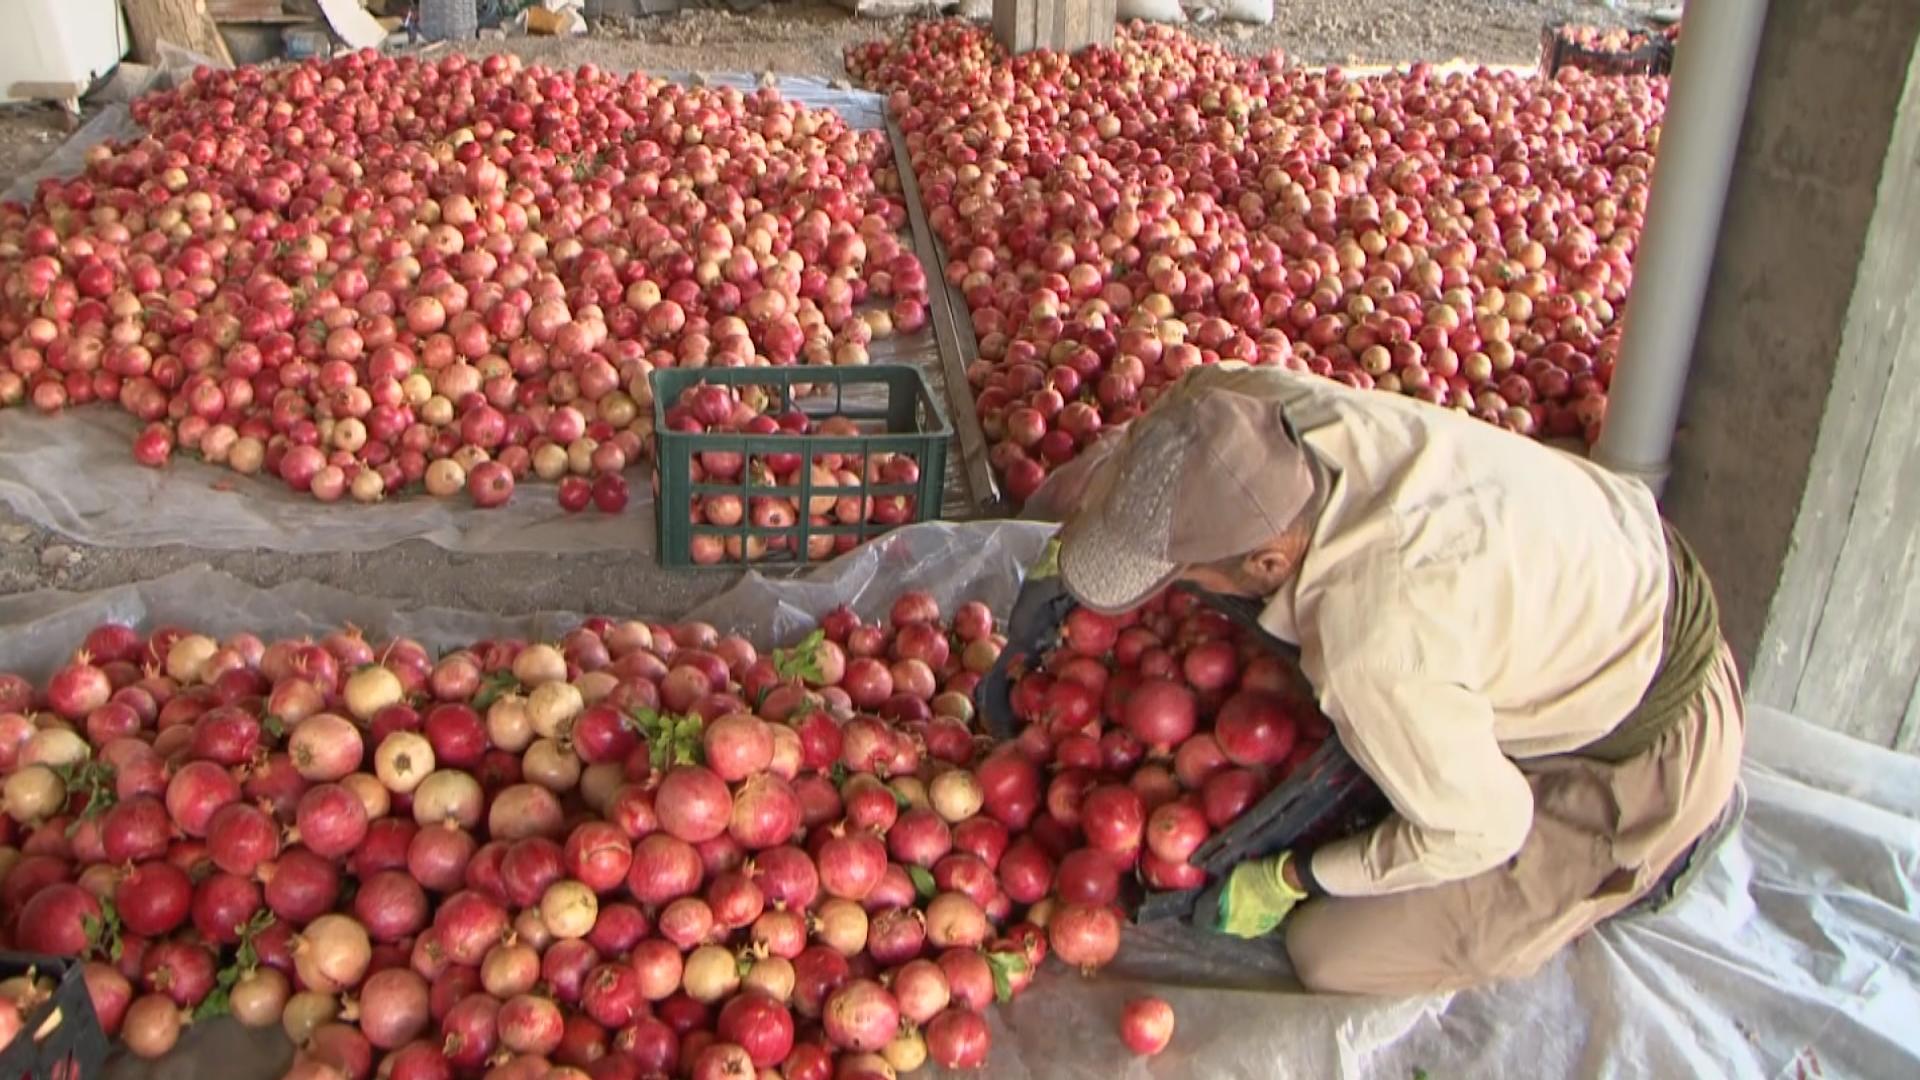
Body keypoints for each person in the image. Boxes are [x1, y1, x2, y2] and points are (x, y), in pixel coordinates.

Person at [1033, 362, 1746, 995]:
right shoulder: (1247, 409)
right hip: (1595, 569)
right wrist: (1103, 502)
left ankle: (1660, 852)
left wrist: (1297, 876)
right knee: (1384, 730)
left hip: (1649, 736)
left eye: (1187, 568)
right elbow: (1182, 404)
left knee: (1332, 949)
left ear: (1269, 564)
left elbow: (1487, 828)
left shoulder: (1371, 641)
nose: (1180, 586)